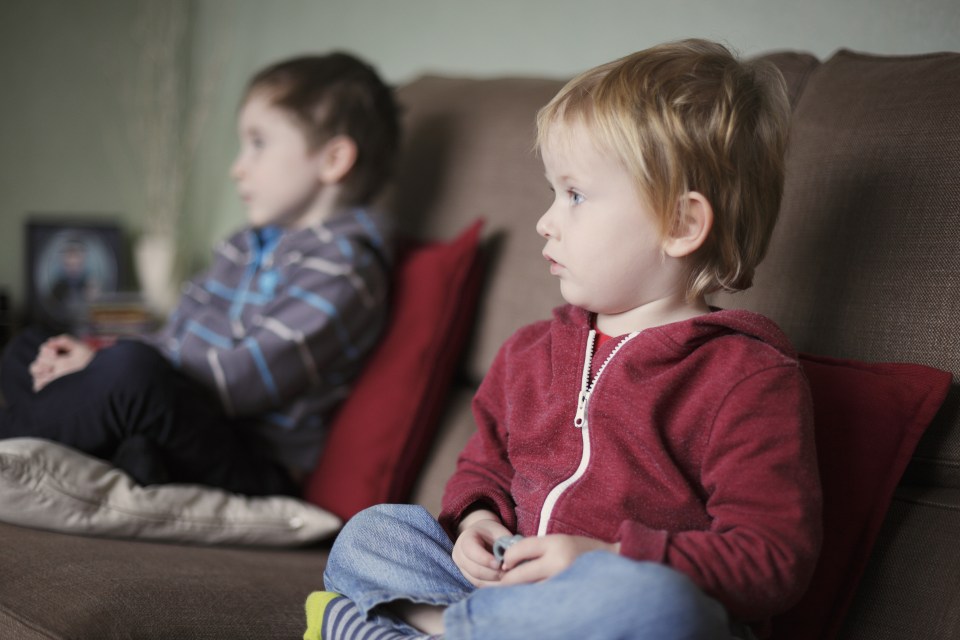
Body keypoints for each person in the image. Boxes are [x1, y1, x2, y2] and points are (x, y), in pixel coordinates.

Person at [306, 39, 822, 640]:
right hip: (506, 591)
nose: (545, 220)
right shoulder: (529, 352)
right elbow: (484, 466)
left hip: (609, 604)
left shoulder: (747, 378)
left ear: (680, 224)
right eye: (554, 192)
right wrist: (477, 521)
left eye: (574, 195)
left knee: (665, 608)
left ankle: (398, 626)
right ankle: (453, 627)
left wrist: (607, 557)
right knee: (373, 531)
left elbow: (772, 559)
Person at [0, 52, 401, 496]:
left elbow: (245, 378)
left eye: (258, 142)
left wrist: (107, 363)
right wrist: (93, 353)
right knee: (31, 346)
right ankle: (124, 453)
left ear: (333, 160)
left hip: (249, 458)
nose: (237, 166)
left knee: (131, 374)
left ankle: (31, 444)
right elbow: (174, 335)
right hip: (186, 411)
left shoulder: (344, 268)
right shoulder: (242, 245)